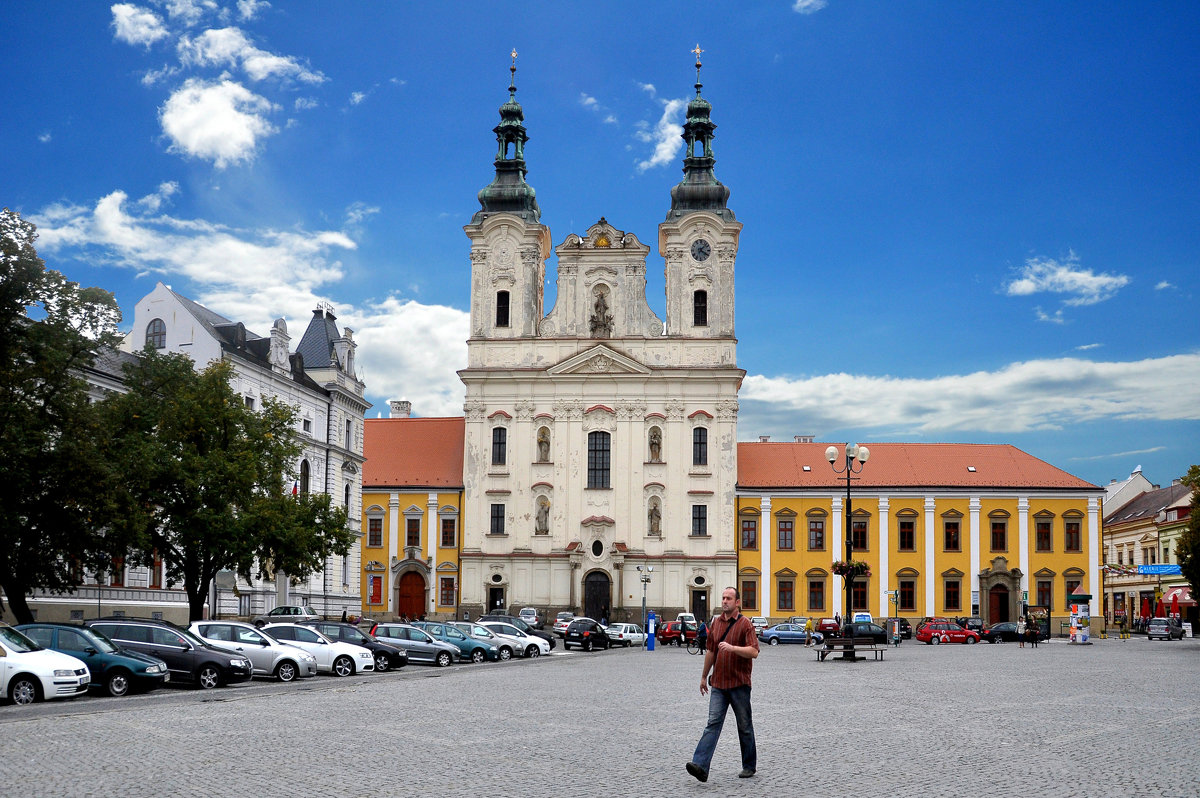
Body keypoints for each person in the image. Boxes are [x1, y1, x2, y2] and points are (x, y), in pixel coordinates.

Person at [686, 586, 759, 783]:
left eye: (729, 598)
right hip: (718, 683)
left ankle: (749, 765)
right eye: (723, 597)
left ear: (737, 603)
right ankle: (700, 764)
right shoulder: (716, 623)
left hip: (739, 684)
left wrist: (733, 648)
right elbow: (710, 651)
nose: (725, 601)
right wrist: (703, 676)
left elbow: (754, 651)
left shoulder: (745, 624)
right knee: (713, 723)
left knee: (744, 726)